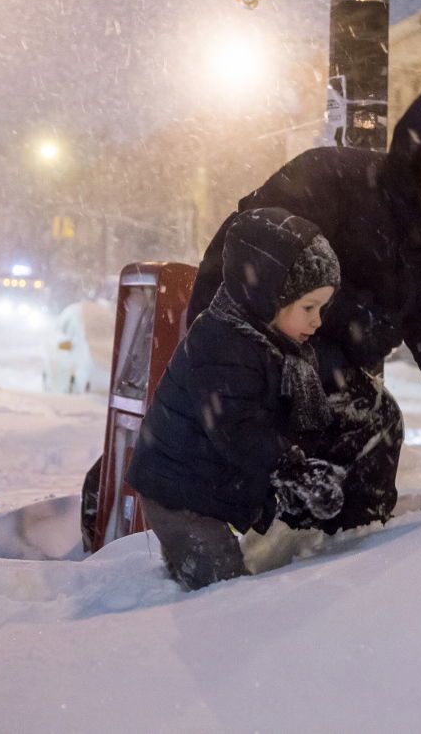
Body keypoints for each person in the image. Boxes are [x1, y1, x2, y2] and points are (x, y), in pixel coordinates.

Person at [186, 76, 421, 530]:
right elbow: (255, 255)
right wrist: (348, 316)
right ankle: (295, 540)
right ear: (418, 156)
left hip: (315, 360)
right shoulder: (334, 179)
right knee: (363, 418)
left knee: (374, 425)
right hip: (240, 341)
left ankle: (347, 545)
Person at [126, 208, 349, 590]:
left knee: (215, 575)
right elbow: (236, 428)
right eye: (309, 308)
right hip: (178, 494)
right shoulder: (222, 344)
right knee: (222, 587)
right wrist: (292, 469)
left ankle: (184, 575)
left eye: (322, 308)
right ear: (267, 298)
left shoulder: (270, 341)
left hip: (205, 485)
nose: (318, 321)